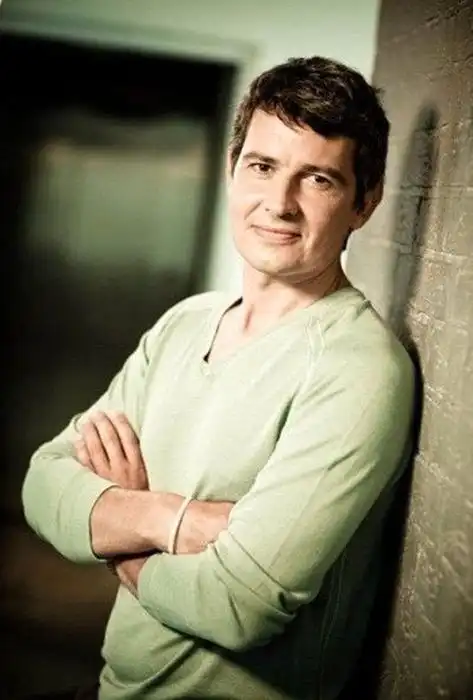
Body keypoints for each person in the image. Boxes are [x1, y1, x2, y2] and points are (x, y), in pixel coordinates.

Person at [22, 55, 415, 700]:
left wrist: (119, 538)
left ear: (363, 204)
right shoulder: (186, 324)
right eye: (262, 166)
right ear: (234, 170)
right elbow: (43, 483)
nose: (279, 204)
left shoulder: (358, 369)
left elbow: (239, 605)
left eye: (318, 179)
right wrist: (170, 520)